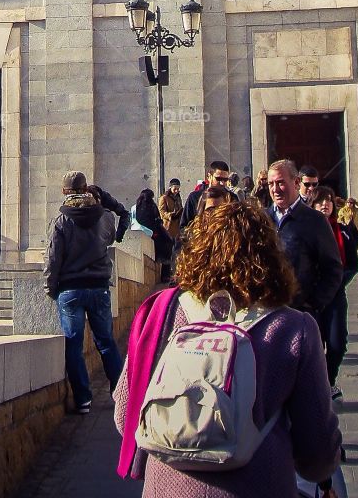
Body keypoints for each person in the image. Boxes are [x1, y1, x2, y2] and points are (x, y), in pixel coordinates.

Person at [114, 200, 342, 496]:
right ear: (270, 256)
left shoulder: (163, 311)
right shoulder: (293, 327)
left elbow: (124, 417)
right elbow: (317, 454)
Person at [44, 171, 122, 415]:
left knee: (73, 345)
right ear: (86, 188)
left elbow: (53, 259)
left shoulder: (60, 221)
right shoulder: (105, 217)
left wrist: (50, 286)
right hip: (99, 286)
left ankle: (83, 399)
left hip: (70, 289)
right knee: (107, 342)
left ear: (65, 192)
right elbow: (110, 238)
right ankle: (121, 393)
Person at [266, 159, 342, 318]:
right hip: (266, 312)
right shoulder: (262, 219)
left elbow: (332, 268)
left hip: (301, 313)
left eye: (280, 183)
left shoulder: (315, 220)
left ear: (296, 182)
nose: (275, 189)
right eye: (270, 184)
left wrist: (313, 304)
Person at [311, 185, 358, 399]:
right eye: (320, 200)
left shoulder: (343, 231)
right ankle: (318, 387)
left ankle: (329, 381)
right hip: (311, 296)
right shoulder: (305, 229)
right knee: (314, 345)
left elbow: (352, 265)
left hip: (335, 294)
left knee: (337, 343)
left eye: (328, 200)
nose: (325, 204)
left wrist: (337, 283)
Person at [179, 158, 234, 229]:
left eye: (225, 180)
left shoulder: (232, 198)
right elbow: (184, 226)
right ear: (209, 177)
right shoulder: (194, 197)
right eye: (218, 179)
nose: (222, 183)